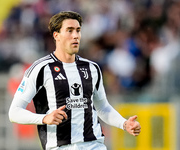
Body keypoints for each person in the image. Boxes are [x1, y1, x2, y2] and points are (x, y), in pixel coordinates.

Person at [8, 11, 141, 150]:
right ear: (56, 35)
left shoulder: (92, 68)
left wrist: (124, 123)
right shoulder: (40, 69)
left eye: (78, 30)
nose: (76, 35)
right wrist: (43, 118)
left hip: (94, 145)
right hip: (60, 147)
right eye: (69, 30)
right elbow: (14, 112)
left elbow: (103, 107)